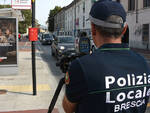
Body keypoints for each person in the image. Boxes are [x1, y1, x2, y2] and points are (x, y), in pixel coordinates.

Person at [62, 1, 150, 113]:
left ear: (93, 29)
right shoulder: (143, 63)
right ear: (124, 30)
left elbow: (68, 108)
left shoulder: (82, 66)